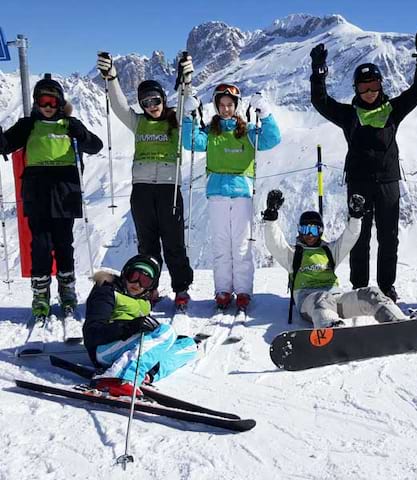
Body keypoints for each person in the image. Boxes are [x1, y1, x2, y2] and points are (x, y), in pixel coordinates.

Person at [310, 29, 417, 302]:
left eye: (374, 86)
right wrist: (318, 72)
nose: (369, 92)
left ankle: (386, 287)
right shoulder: (348, 114)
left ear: (381, 85)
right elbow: (320, 101)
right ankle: (360, 287)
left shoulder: (392, 110)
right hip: (358, 183)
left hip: (389, 183)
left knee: (388, 238)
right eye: (363, 87)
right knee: (359, 238)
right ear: (355, 89)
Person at [96, 53, 194, 310]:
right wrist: (113, 78)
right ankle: (149, 288)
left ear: (163, 99)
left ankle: (181, 288)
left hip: (169, 190)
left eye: (156, 100)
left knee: (174, 242)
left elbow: (188, 103)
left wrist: (186, 79)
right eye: (146, 102)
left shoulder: (175, 121)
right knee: (147, 244)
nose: (152, 105)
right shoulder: (138, 122)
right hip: (141, 190)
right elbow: (118, 106)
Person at [0, 75, 103, 318]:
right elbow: (5, 146)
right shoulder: (28, 125)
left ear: (60, 103)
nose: (48, 107)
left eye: (53, 102)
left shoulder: (69, 124)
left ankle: (67, 291)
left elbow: (95, 146)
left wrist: (81, 133)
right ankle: (41, 295)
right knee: (41, 245)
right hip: (37, 191)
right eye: (43, 101)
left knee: (63, 243)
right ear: (36, 102)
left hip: (64, 192)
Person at [181, 83, 281, 311]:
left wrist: (264, 113)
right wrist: (189, 116)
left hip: (241, 194)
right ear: (216, 106)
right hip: (217, 194)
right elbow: (190, 142)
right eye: (222, 105)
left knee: (241, 245)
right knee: (221, 245)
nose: (226, 109)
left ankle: (243, 291)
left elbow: (271, 139)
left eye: (230, 105)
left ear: (236, 106)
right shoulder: (211, 132)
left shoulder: (246, 132)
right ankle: (223, 290)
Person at [263, 189, 407, 328]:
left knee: (371, 293)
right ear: (299, 231)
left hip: (336, 298)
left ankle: (398, 322)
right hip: (310, 301)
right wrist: (271, 216)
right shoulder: (294, 255)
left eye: (314, 230)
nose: (309, 235)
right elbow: (274, 243)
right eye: (305, 230)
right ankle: (329, 328)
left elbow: (349, 238)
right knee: (322, 298)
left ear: (320, 232)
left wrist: (356, 217)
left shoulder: (329, 251)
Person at [83, 254, 198, 397]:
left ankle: (145, 374)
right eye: (134, 276)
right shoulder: (107, 291)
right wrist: (131, 327)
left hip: (125, 349)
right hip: (103, 350)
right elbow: (92, 333)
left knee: (188, 345)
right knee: (165, 332)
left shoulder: (143, 301)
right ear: (126, 273)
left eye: (145, 281)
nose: (137, 284)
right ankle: (119, 377)